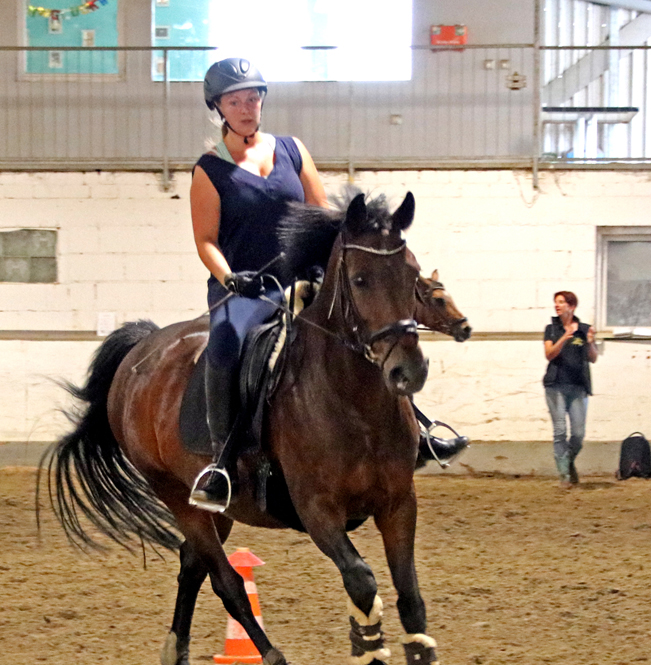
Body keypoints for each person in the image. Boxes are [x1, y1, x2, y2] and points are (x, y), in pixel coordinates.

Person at [188, 57, 466, 511]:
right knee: (224, 346)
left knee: (368, 329)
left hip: (302, 281)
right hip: (245, 290)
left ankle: (418, 428)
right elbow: (205, 241)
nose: (246, 107)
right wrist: (229, 278)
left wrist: (323, 270)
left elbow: (324, 219)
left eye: (253, 97)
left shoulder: (293, 151)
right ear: (218, 107)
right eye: (235, 100)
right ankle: (221, 463)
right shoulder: (209, 170)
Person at [543, 291, 598, 487]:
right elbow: (549, 354)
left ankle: (568, 461)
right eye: (555, 302)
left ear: (572, 306)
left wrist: (591, 342)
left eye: (561, 302)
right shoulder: (551, 329)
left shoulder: (584, 329)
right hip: (555, 385)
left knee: (578, 434)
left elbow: (593, 358)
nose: (557, 306)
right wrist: (564, 337)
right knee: (559, 431)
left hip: (578, 386)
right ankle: (564, 476)